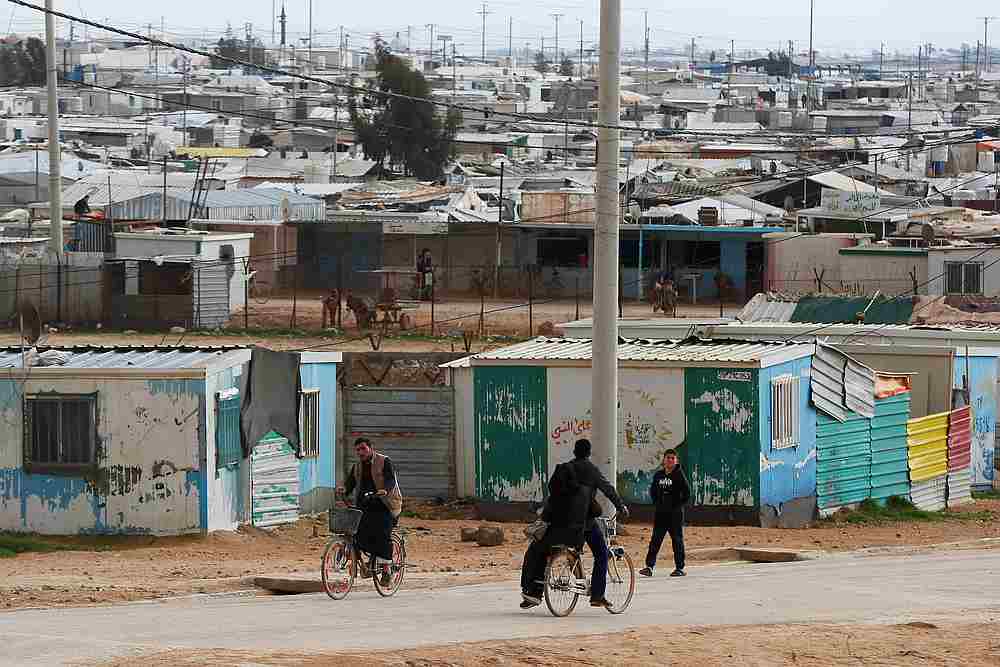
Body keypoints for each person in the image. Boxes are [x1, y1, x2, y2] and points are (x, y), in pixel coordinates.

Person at [519, 439, 629, 610]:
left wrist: (539, 508)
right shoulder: (591, 470)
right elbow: (608, 489)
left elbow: (552, 496)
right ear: (588, 452)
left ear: (574, 451)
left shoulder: (564, 470)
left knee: (540, 549)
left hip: (557, 525)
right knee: (601, 553)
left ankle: (533, 592)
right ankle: (597, 595)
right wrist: (620, 506)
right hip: (583, 524)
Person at [339, 438, 403, 585]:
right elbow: (350, 483)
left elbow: (390, 480)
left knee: (382, 534)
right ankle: (368, 562)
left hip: (386, 504)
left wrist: (384, 490)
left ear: (371, 448)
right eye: (357, 450)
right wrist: (344, 489)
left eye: (363, 449)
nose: (360, 452)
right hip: (366, 504)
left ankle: (386, 569)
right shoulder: (357, 467)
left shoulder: (384, 461)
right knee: (358, 532)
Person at [640, 447, 690, 578]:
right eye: (668, 458)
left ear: (676, 460)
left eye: (672, 458)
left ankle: (679, 568)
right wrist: (658, 504)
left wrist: (677, 506)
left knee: (677, 540)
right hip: (661, 514)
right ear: (664, 460)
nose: (670, 460)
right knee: (655, 540)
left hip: (675, 515)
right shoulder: (658, 475)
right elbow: (653, 491)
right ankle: (649, 567)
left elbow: (687, 493)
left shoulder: (679, 475)